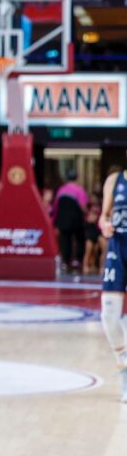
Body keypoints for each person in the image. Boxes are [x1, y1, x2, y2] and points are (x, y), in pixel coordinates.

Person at [98, 167, 127, 402]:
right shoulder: (114, 181)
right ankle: (123, 357)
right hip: (117, 249)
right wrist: (105, 224)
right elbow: (104, 216)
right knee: (108, 315)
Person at [55, 171, 89, 273]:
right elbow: (83, 206)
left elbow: (56, 206)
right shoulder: (79, 190)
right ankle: (78, 260)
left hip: (63, 220)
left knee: (65, 240)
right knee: (79, 239)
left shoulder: (61, 190)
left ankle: (66, 261)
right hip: (76, 220)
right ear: (77, 178)